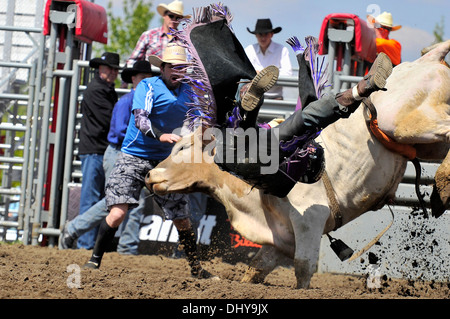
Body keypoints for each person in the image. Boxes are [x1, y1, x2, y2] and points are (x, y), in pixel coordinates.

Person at [176, 4, 394, 198]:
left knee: (250, 128)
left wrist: (302, 61)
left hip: (246, 153)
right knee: (299, 121)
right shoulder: (295, 159)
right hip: (263, 153)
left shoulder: (292, 161)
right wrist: (302, 62)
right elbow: (308, 114)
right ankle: (357, 90)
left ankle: (247, 101)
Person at [83, 44, 216, 279]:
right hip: (133, 155)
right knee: (117, 214)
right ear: (162, 68)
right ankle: (94, 260)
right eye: (173, 66)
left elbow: (200, 120)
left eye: (182, 67)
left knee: (182, 220)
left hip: (165, 161)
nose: (178, 71)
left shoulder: (191, 92)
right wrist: (162, 135)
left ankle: (196, 269)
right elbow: (141, 120)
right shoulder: (147, 86)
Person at [59, 61, 153, 255]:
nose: (146, 81)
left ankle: (125, 247)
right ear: (134, 79)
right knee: (119, 200)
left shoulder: (141, 102)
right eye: (142, 77)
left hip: (128, 154)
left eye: (148, 78)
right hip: (120, 152)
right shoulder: (127, 102)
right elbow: (119, 132)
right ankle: (76, 230)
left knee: (126, 201)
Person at [77, 52, 120, 249]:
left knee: (96, 198)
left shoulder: (103, 89)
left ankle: (88, 242)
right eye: (109, 68)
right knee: (93, 198)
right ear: (100, 69)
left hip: (97, 149)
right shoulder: (97, 90)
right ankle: (85, 243)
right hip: (95, 149)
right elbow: (109, 120)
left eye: (114, 69)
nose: (112, 72)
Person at [125, 0, 191, 69]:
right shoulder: (148, 36)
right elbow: (133, 61)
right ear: (164, 15)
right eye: (171, 16)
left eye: (178, 18)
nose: (174, 20)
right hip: (151, 77)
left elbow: (189, 64)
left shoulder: (185, 41)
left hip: (174, 78)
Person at [245, 19, 293, 100]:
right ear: (256, 35)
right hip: (253, 98)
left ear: (271, 34)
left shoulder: (282, 50)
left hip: (275, 97)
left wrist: (264, 75)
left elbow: (288, 74)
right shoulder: (249, 50)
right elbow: (244, 72)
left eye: (266, 34)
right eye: (260, 34)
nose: (263, 38)